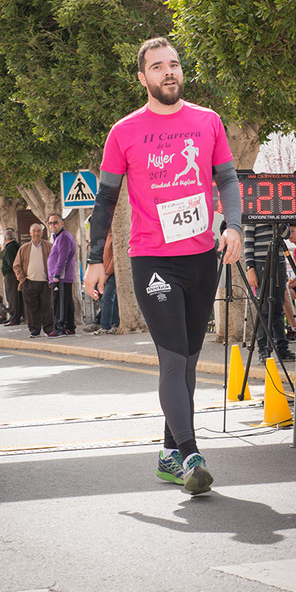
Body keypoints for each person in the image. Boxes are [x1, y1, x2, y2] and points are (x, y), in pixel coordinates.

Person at [84, 37, 242, 496]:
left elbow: (227, 179)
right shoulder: (124, 131)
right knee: (172, 357)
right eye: (157, 66)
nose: (168, 72)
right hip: (153, 260)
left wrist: (233, 226)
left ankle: (169, 454)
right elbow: (106, 199)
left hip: (200, 258)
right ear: (143, 78)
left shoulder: (207, 121)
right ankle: (191, 455)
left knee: (190, 360)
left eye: (173, 64)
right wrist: (95, 259)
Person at [244, 222, 296, 365]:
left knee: (278, 309)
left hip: (278, 262)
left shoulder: (279, 213)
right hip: (261, 264)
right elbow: (248, 241)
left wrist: (280, 221)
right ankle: (264, 350)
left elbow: (285, 234)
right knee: (264, 310)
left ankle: (282, 349)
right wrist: (250, 268)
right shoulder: (253, 212)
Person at [13, 224, 53, 337]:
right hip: (29, 283)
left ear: (42, 233)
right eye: (34, 231)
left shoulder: (49, 246)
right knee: (31, 309)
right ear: (30, 233)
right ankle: (34, 331)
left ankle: (49, 330)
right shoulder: (24, 248)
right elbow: (16, 265)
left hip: (46, 283)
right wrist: (23, 280)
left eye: (39, 231)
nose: (36, 233)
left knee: (47, 307)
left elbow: (55, 262)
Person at [47, 213, 77, 337]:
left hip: (61, 277)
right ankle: (69, 327)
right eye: (50, 223)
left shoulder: (63, 237)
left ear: (62, 223)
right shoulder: (57, 237)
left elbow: (62, 258)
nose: (53, 225)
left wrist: (57, 274)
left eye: (55, 222)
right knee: (66, 302)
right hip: (61, 277)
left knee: (59, 302)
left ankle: (60, 328)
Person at [93, 231, 120, 335]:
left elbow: (114, 258)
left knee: (107, 298)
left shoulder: (114, 237)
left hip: (112, 273)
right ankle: (115, 323)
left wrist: (107, 273)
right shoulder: (102, 237)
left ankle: (105, 326)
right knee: (110, 299)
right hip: (102, 273)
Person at [0, 229, 22, 325]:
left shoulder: (9, 248)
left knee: (12, 297)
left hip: (11, 276)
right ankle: (14, 317)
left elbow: (12, 263)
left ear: (5, 238)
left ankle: (14, 318)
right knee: (15, 297)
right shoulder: (16, 246)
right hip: (14, 275)